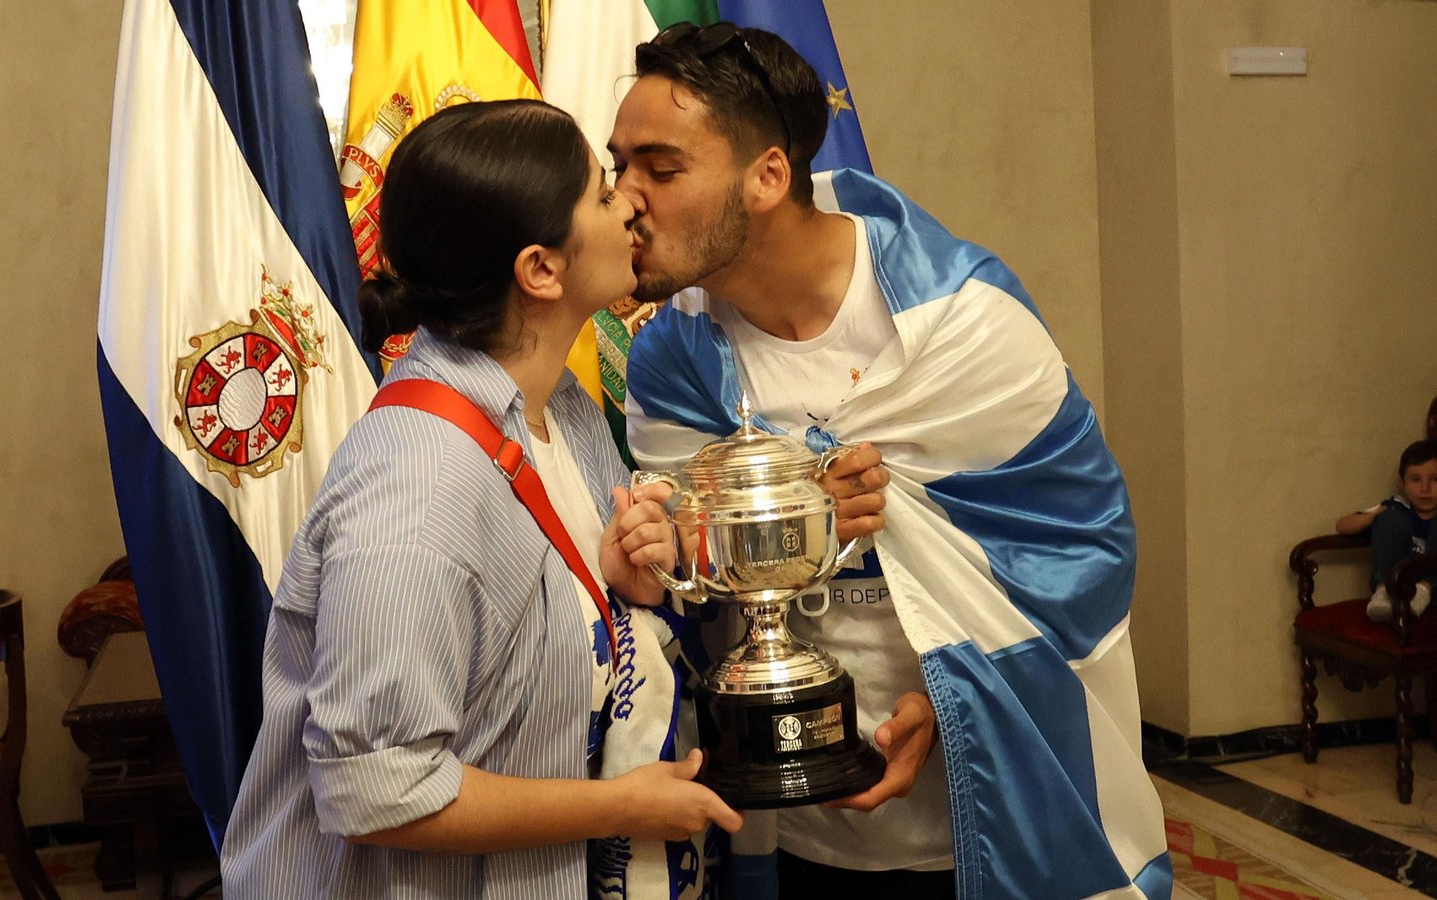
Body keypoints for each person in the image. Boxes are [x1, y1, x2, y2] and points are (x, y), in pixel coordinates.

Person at [611, 22, 1168, 900]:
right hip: (779, 821)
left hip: (976, 807)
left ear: (768, 176)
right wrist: (689, 542)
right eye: (619, 168)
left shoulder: (964, 324)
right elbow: (686, 579)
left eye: (661, 169)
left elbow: (1084, 550)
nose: (624, 200)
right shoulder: (672, 359)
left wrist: (950, 712)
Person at [220, 99, 742, 900]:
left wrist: (616, 584)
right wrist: (618, 807)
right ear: (540, 269)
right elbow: (376, 791)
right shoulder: (417, 488)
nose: (632, 204)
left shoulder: (559, 406)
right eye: (604, 194)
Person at [1337, 439, 1437, 622]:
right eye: (1415, 480)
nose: (1425, 488)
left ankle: (1424, 589)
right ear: (1403, 482)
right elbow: (1342, 526)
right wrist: (1375, 516)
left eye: (1435, 479)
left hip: (1432, 590)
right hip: (1399, 586)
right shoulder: (1398, 506)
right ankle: (1382, 591)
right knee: (1390, 517)